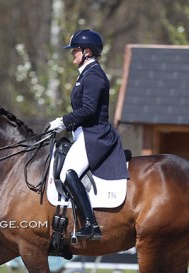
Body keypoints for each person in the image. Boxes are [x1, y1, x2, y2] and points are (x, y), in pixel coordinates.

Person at [48, 29, 129, 240]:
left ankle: (91, 224)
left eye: (75, 50)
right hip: (84, 133)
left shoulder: (93, 76)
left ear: (88, 52)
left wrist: (63, 122)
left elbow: (89, 110)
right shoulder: (85, 74)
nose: (72, 54)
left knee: (68, 172)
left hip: (95, 135)